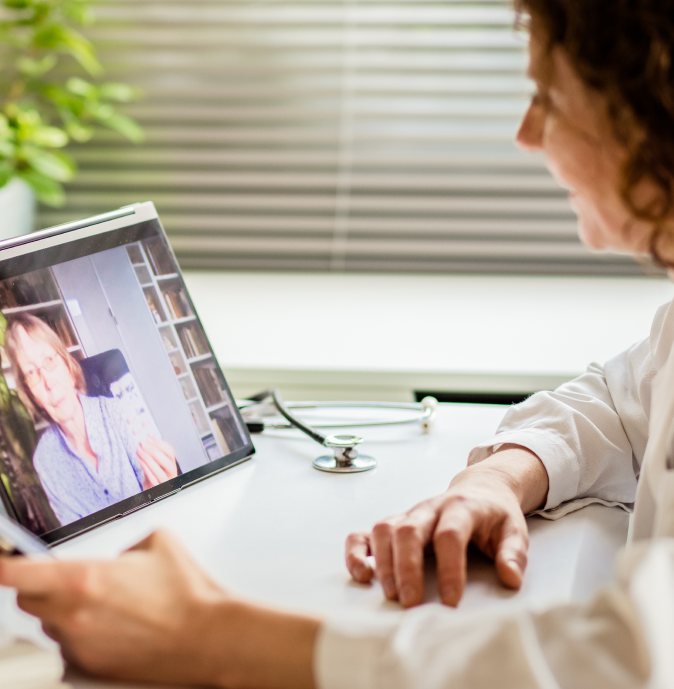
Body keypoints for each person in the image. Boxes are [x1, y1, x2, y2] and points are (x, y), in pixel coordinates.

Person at [1, 0, 674, 686]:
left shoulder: (119, 410)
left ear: (650, 111)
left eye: (551, 99)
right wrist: (497, 476)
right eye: (27, 373)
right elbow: (624, 403)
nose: (526, 135)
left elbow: (618, 664)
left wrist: (209, 635)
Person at [4, 313, 179, 526]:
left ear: (67, 366)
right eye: (31, 373)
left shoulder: (117, 412)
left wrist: (162, 490)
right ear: (31, 395)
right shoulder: (45, 460)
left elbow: (163, 509)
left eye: (49, 360)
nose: (48, 383)